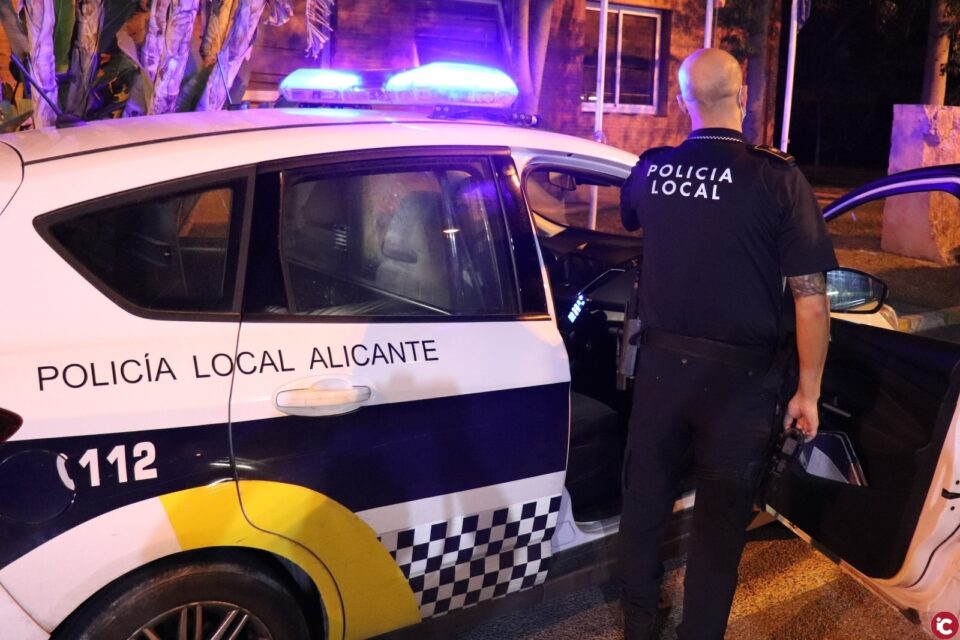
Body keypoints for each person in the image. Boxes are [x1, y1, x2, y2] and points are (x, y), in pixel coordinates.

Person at [618, 48, 838, 640]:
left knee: (643, 507)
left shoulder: (651, 169)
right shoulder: (777, 178)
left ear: (683, 99)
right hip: (741, 388)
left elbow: (631, 222)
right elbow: (811, 299)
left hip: (661, 374)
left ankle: (639, 625)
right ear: (744, 97)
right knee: (718, 530)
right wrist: (808, 392)